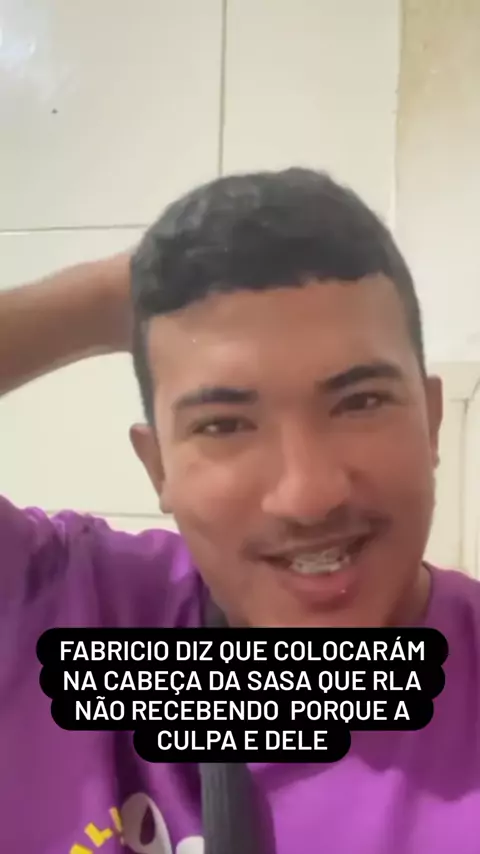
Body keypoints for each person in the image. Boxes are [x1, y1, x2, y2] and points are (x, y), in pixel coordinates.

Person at [1, 168, 480, 854]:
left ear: (431, 421)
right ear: (157, 466)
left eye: (361, 402)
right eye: (225, 425)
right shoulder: (61, 603)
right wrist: (113, 294)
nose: (309, 496)